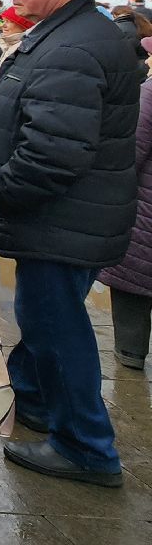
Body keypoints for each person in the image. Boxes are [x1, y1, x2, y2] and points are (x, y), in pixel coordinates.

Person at [0, 0, 140, 486]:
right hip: (68, 218)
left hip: (62, 220)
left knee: (57, 328)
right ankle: (37, 402)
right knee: (48, 320)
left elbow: (52, 156)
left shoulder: (73, 47)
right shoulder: (70, 34)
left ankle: (85, 448)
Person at [97, 48, 152, 370]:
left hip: (145, 211)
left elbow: (131, 152)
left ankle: (130, 354)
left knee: (136, 287)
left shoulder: (149, 92)